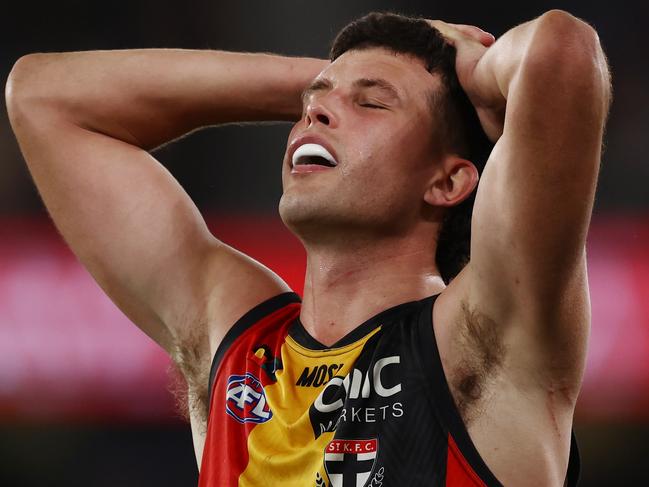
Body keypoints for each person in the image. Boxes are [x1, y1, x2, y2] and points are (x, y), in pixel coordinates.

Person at [6, 10, 611, 487]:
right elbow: (42, 95)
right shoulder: (236, 340)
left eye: (372, 104)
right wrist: (333, 79)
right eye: (310, 106)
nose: (314, 113)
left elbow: (560, 51)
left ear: (448, 181)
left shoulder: (487, 338)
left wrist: (464, 72)